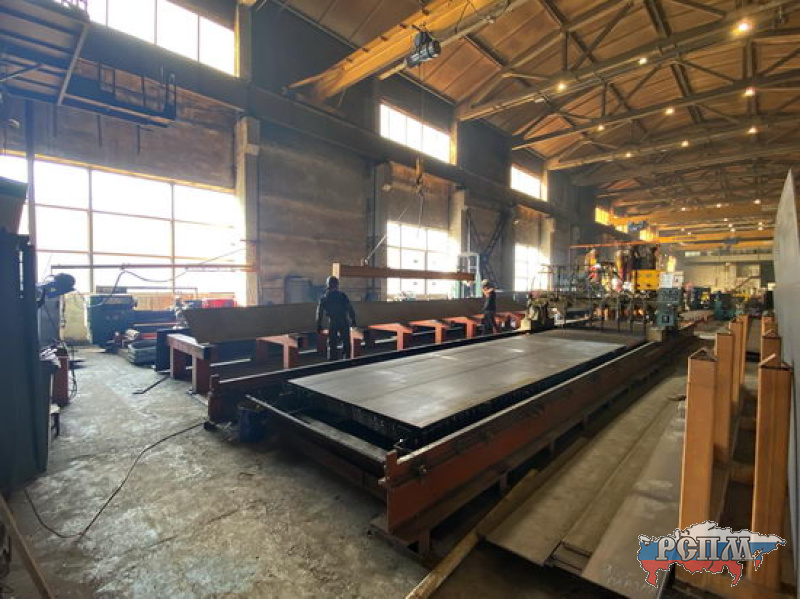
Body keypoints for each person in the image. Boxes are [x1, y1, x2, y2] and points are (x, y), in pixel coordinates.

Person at [316, 276, 357, 361]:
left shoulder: (324, 297)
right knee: (346, 341)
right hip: (343, 320)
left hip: (333, 321)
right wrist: (353, 319)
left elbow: (319, 312)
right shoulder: (342, 295)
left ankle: (332, 361)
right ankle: (347, 360)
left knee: (332, 342)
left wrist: (318, 324)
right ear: (337, 285)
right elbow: (350, 308)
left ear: (328, 285)